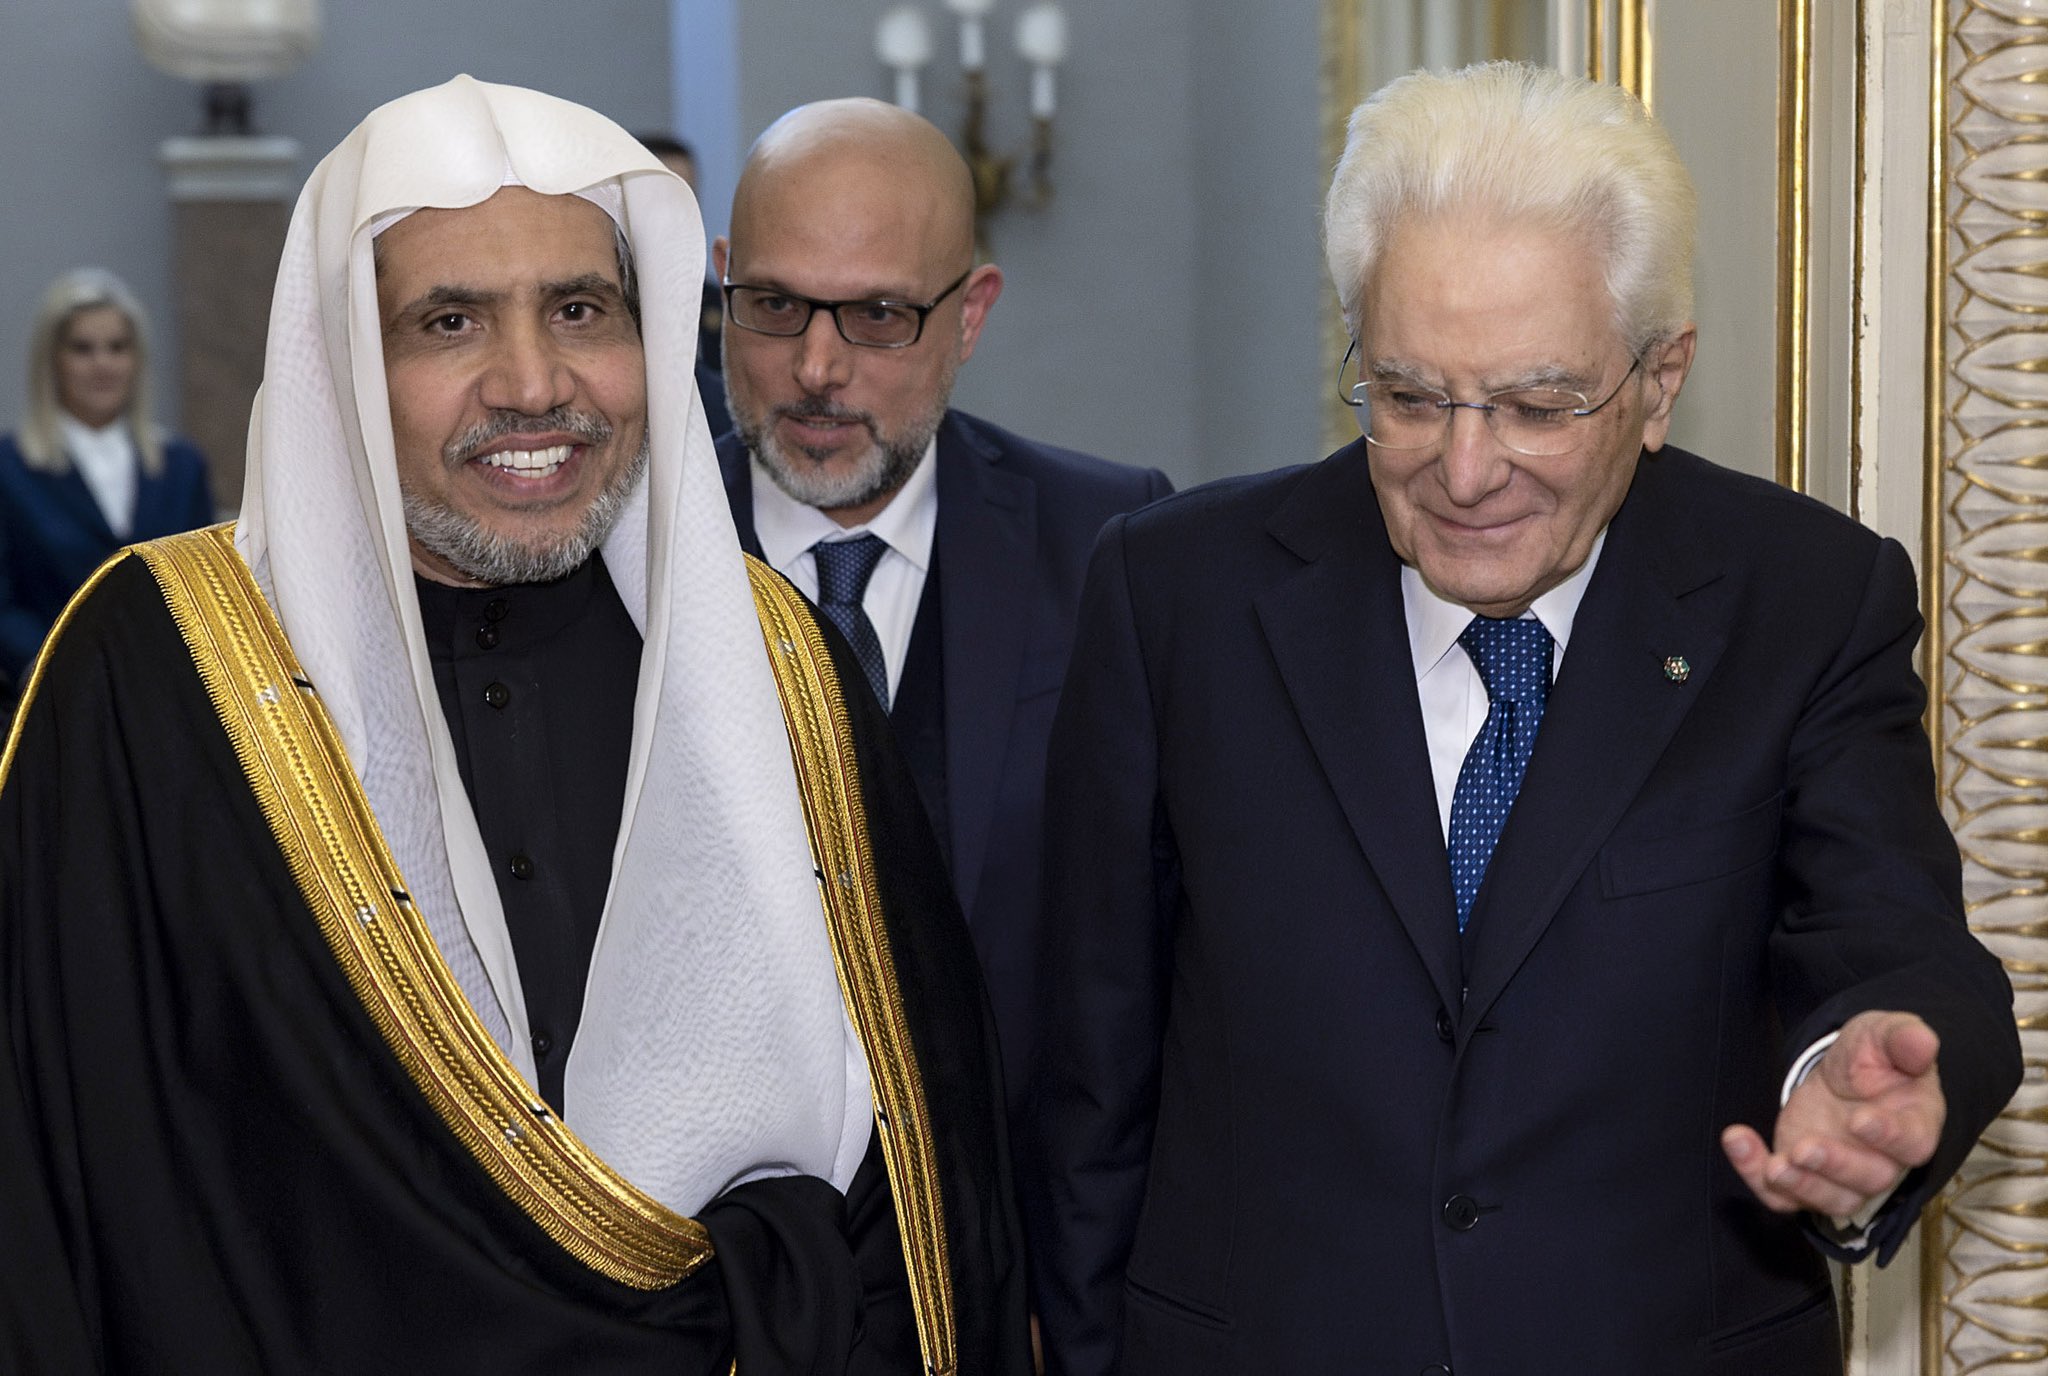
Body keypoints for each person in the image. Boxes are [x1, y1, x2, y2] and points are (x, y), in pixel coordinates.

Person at [0, 76, 1029, 1374]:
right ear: (348, 366)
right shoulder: (150, 675)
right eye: (449, 321)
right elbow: (51, 1191)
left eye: (581, 310)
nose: (534, 383)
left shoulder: (780, 670)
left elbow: (932, 1179)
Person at [1031, 61, 2019, 1376]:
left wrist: (1859, 1075)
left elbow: (1895, 950)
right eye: (1410, 395)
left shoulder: (1804, 600)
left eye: (1538, 404)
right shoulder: (1173, 594)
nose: (1467, 468)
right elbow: (1091, 1082)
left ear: (1659, 382)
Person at [710, 98, 1171, 1147]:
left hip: (995, 1249)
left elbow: (1144, 966)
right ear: (723, 279)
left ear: (969, 314)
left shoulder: (1109, 540)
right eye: (775, 304)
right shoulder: (618, 527)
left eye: (876, 315)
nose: (817, 368)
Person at [0, 268, 213, 688]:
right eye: (83, 348)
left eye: (117, 347)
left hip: (166, 694)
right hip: (50, 696)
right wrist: (56, 670)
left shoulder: (182, 466)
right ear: (52, 359)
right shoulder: (9, 467)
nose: (103, 364)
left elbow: (203, 591)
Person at [635, 131, 731, 438]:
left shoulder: (728, 307)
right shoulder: (592, 311)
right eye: (659, 199)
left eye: (687, 198)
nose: (676, 215)